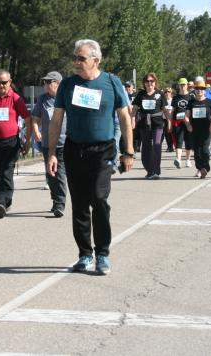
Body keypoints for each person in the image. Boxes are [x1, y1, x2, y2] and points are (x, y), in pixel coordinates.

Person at [47, 39, 133, 276]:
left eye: (81, 58)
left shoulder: (112, 83)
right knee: (80, 205)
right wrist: (52, 152)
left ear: (96, 60)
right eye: (74, 57)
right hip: (75, 150)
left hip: (103, 151)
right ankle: (85, 254)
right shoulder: (67, 85)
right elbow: (56, 121)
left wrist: (129, 151)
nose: (76, 62)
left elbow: (125, 118)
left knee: (99, 199)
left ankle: (102, 254)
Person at [0, 69, 32, 218]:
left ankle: (1, 203)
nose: (1, 86)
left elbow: (28, 120)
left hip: (11, 143)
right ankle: (5, 202)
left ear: (9, 82)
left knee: (6, 172)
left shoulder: (16, 99)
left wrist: (27, 141)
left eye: (4, 82)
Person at [31, 71, 68, 217]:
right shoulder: (42, 99)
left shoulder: (66, 98)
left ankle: (60, 203)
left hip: (64, 142)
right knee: (50, 174)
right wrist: (36, 131)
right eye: (45, 82)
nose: (45, 85)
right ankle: (55, 201)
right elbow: (35, 118)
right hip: (47, 143)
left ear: (57, 83)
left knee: (59, 172)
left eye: (48, 82)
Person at [130, 73, 169, 179]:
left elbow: (165, 110)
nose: (149, 83)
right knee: (146, 148)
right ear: (144, 83)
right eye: (147, 81)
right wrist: (132, 119)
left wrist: (169, 122)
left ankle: (156, 171)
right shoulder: (140, 94)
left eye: (152, 81)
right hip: (144, 123)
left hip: (158, 124)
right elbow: (134, 109)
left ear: (155, 82)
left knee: (157, 145)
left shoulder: (160, 94)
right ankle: (150, 170)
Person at [185, 79, 211, 178]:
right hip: (194, 130)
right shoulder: (191, 102)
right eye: (197, 88)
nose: (199, 91)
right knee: (197, 151)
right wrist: (188, 125)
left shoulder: (209, 102)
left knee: (205, 150)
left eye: (202, 89)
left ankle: (205, 168)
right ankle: (200, 167)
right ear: (194, 90)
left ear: (205, 90)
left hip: (206, 129)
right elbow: (186, 116)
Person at [171, 78, 193, 168]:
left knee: (188, 141)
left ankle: (188, 160)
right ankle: (178, 159)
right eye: (181, 85)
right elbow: (172, 110)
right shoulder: (175, 98)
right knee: (179, 141)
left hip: (188, 122)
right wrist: (170, 121)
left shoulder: (191, 97)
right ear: (179, 86)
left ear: (187, 85)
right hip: (178, 122)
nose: (183, 86)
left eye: (184, 85)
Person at [162, 87, 175, 152]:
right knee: (166, 133)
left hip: (172, 119)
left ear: (171, 93)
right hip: (164, 118)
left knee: (171, 133)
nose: (167, 93)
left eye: (169, 92)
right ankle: (169, 146)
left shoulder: (173, 100)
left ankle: (171, 146)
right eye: (166, 92)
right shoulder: (163, 100)